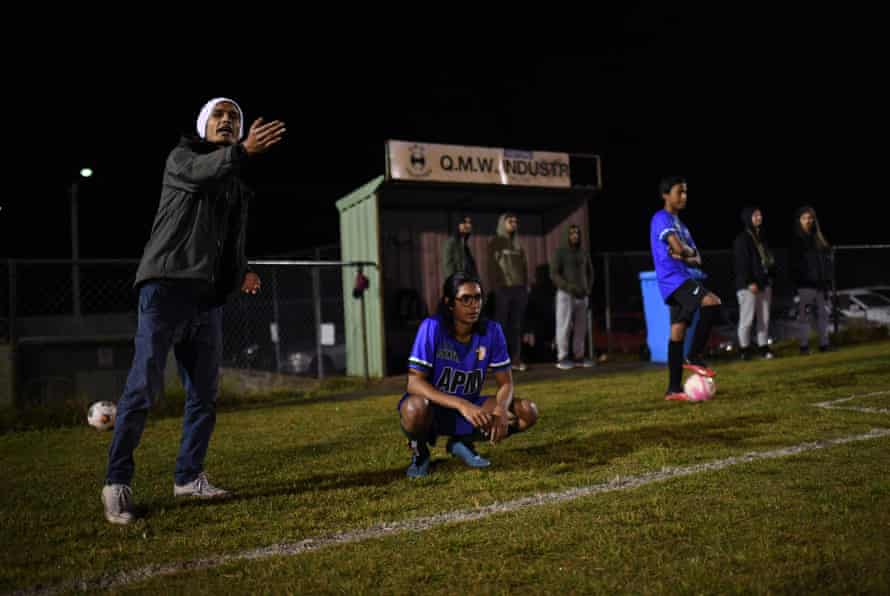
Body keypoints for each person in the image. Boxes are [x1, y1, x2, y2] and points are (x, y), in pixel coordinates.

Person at [102, 98, 286, 524]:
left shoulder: (235, 184)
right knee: (143, 387)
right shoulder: (182, 158)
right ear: (205, 125)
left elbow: (224, 239)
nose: (228, 121)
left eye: (234, 118)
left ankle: (188, 476)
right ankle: (116, 483)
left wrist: (240, 272)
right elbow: (205, 172)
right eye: (219, 116)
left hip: (206, 299)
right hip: (165, 289)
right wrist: (241, 152)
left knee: (204, 395)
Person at [398, 272, 539, 478]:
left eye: (478, 298)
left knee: (528, 412)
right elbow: (414, 383)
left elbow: (506, 382)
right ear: (449, 303)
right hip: (435, 409)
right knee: (413, 409)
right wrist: (461, 404)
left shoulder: (492, 330)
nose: (474, 305)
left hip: (471, 406)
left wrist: (499, 409)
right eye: (465, 299)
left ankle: (461, 441)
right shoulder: (432, 327)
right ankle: (420, 451)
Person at [649, 176, 721, 401]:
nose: (684, 196)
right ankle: (695, 355)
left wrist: (684, 252)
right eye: (679, 192)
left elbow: (696, 257)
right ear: (665, 195)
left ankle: (673, 389)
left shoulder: (681, 225)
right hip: (674, 280)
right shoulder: (661, 218)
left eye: (686, 192)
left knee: (677, 331)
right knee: (712, 302)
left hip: (682, 277)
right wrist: (684, 251)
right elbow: (679, 248)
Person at [487, 213, 529, 372]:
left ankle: (516, 359)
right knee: (501, 326)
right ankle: (498, 361)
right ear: (502, 223)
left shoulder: (518, 244)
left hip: (519, 290)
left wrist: (525, 286)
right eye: (510, 221)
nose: (514, 224)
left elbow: (524, 267)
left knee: (517, 326)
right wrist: (496, 286)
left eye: (515, 221)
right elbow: (492, 266)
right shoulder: (495, 242)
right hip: (503, 289)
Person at [550, 224, 595, 369]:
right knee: (564, 326)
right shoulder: (560, 252)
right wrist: (568, 287)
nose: (575, 235)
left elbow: (590, 272)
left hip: (582, 295)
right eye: (572, 233)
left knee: (581, 327)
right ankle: (562, 357)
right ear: (567, 235)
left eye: (577, 233)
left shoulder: (583, 252)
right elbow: (554, 274)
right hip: (566, 294)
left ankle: (579, 356)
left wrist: (588, 288)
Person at [733, 207, 776, 359]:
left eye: (760, 215)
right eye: (755, 215)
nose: (759, 217)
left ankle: (763, 347)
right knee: (747, 318)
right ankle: (744, 349)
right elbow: (741, 263)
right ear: (748, 218)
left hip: (764, 284)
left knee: (764, 317)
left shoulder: (761, 238)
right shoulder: (742, 239)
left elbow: (767, 260)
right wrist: (749, 281)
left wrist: (770, 277)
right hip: (748, 286)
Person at [790, 205, 833, 354]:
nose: (808, 221)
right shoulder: (796, 241)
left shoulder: (819, 239)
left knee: (823, 315)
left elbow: (826, 264)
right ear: (799, 220)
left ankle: (824, 344)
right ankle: (804, 346)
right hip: (805, 286)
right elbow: (793, 266)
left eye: (810, 218)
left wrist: (827, 282)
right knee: (804, 318)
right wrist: (796, 286)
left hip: (821, 286)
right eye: (804, 218)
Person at [442, 214, 478, 280]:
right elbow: (447, 265)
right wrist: (455, 280)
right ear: (459, 225)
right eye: (465, 222)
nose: (468, 225)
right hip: (457, 282)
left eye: (469, 223)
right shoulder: (451, 242)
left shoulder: (464, 244)